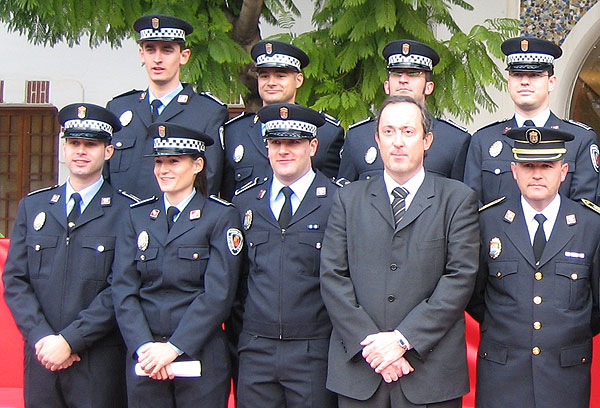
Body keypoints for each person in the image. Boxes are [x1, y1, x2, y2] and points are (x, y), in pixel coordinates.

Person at [320, 95, 479, 407]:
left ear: (427, 140)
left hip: (429, 373)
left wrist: (402, 340)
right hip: (361, 369)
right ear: (377, 139)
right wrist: (374, 347)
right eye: (389, 132)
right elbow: (333, 277)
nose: (398, 142)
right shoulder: (347, 200)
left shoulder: (457, 200)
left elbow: (459, 278)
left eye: (408, 132)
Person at [3, 103, 132, 408]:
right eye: (74, 143)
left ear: (108, 152)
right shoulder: (33, 206)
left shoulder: (128, 212)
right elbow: (15, 280)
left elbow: (122, 287)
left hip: (98, 360)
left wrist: (70, 341)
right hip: (42, 357)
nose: (81, 151)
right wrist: (43, 339)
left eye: (91, 144)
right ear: (63, 147)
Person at [111, 122, 243, 408]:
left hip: (199, 352)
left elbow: (218, 294)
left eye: (174, 161)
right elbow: (123, 288)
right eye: (159, 162)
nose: (163, 170)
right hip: (144, 357)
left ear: (197, 165)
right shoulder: (138, 216)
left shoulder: (219, 216)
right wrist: (145, 348)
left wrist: (173, 348)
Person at [468, 126, 600, 408]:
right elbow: (476, 297)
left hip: (565, 378)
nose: (537, 174)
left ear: (563, 171)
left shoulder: (591, 225)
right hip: (502, 376)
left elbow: (596, 306)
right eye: (528, 165)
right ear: (514, 170)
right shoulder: (487, 222)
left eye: (547, 165)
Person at [232, 103, 339, 408]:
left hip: (313, 351)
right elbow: (236, 282)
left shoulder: (338, 202)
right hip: (256, 350)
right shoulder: (245, 203)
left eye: (293, 142)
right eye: (276, 142)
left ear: (313, 146)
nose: (283, 151)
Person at [464, 36, 599, 205]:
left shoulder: (579, 140)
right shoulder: (483, 140)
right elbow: (471, 209)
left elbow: (584, 211)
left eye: (534, 75)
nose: (525, 82)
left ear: (551, 82)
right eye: (517, 74)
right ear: (509, 82)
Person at [107, 14, 228, 198]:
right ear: (142, 54)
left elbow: (208, 182)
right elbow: (104, 175)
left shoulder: (208, 112)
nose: (157, 59)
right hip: (120, 224)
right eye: (150, 49)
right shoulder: (118, 108)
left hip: (175, 223)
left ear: (184, 56)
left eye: (167, 50)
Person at [221, 40, 344, 200]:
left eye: (280, 75)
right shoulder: (234, 131)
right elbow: (226, 195)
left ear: (299, 80)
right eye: (264, 76)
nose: (271, 83)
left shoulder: (326, 132)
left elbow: (336, 195)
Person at [337, 39, 470, 182]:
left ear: (429, 87)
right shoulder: (358, 137)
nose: (403, 80)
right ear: (386, 85)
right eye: (397, 73)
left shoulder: (454, 140)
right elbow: (346, 194)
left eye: (413, 73)